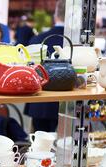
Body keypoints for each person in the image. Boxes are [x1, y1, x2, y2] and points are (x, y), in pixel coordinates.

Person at [24, 0, 66, 132]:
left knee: (40, 145)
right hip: (68, 103)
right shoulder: (76, 43)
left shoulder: (37, 39)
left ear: (55, 15)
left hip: (39, 103)